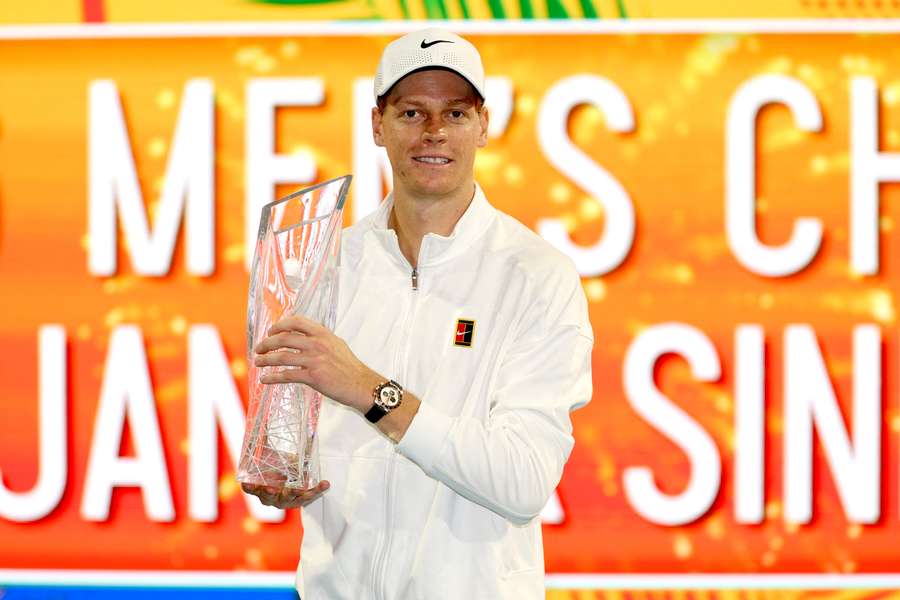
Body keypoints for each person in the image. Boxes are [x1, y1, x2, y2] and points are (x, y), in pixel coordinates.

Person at [243, 27, 594, 600]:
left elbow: (523, 480)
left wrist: (369, 390)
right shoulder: (323, 266)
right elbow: (289, 437)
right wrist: (281, 471)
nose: (434, 132)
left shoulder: (537, 276)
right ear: (377, 124)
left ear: (484, 125)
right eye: (412, 112)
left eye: (455, 113)